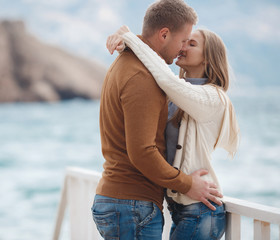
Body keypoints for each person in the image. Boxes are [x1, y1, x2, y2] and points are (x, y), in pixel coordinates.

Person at [91, 0, 224, 239]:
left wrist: (128, 39)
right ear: (164, 34)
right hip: (132, 204)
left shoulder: (125, 64)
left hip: (122, 201)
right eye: (183, 40)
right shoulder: (142, 76)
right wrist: (187, 184)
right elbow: (142, 151)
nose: (182, 48)